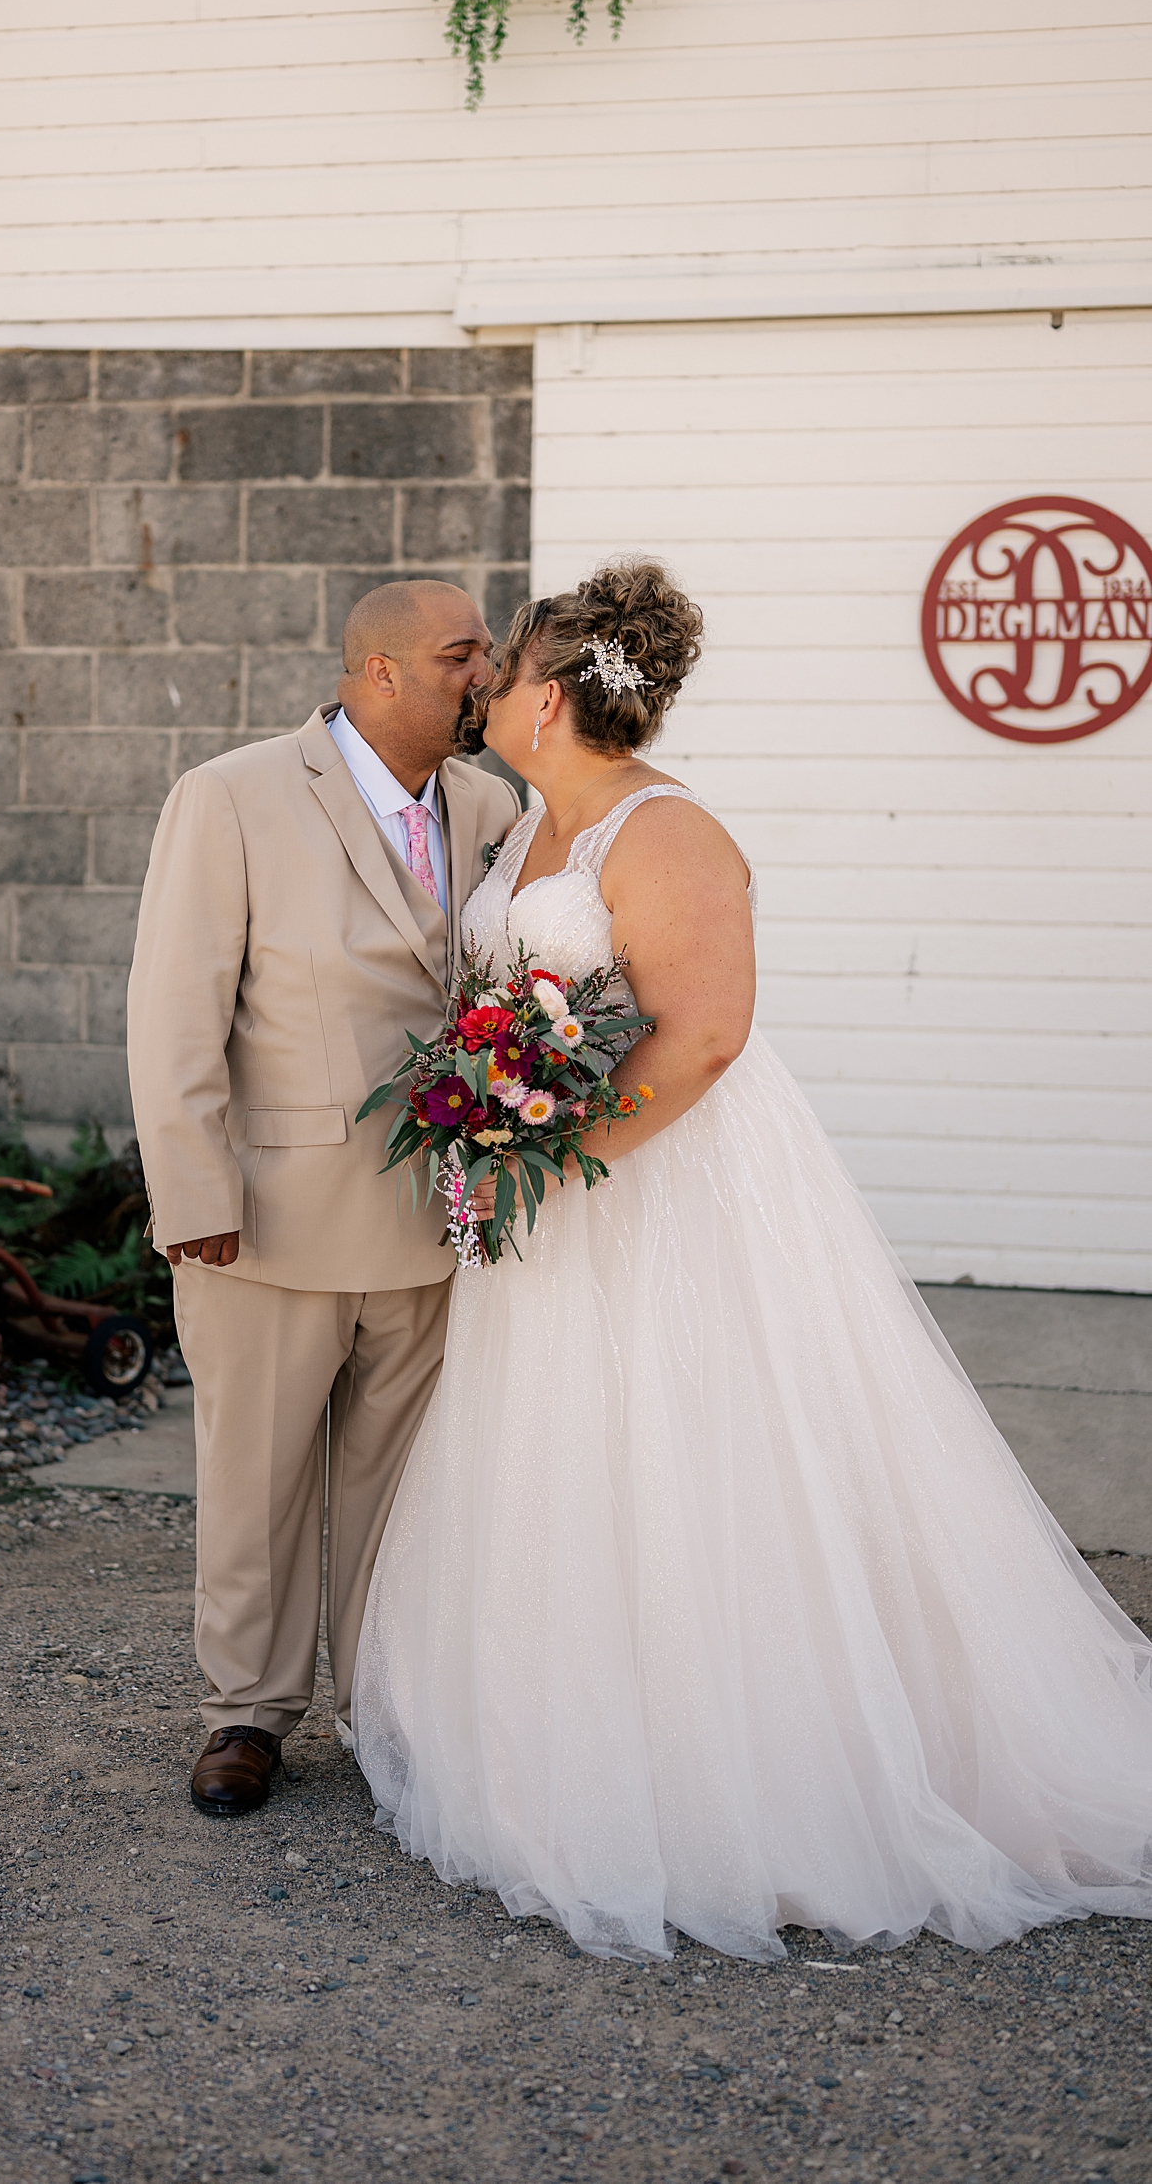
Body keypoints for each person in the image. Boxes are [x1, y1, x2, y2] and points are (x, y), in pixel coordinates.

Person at [353, 557, 1152, 1960]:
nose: (484, 686)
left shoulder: (665, 834)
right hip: (553, 1199)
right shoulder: (531, 827)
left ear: (551, 693)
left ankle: (753, 1790)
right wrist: (493, 1124)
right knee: (566, 1467)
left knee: (699, 1462)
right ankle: (571, 1751)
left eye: (506, 665)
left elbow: (707, 1030)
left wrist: (559, 1150)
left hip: (664, 1194)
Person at [127, 579, 520, 1817]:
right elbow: (173, 1010)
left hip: (439, 1220)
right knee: (258, 1479)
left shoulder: (495, 806)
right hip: (267, 1218)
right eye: (465, 655)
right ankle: (245, 1713)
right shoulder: (231, 795)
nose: (489, 675)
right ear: (381, 671)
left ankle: (385, 1709)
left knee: (402, 1492)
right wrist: (192, 1186)